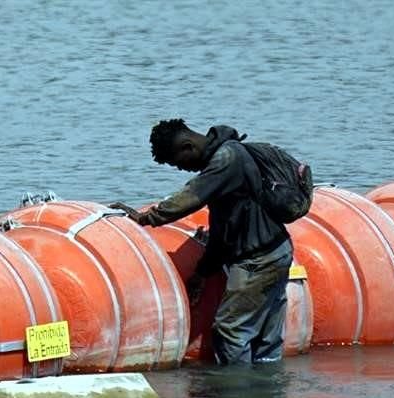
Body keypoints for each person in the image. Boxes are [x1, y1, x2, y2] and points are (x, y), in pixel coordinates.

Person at [110, 120, 293, 365]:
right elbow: (223, 231)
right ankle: (266, 394)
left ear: (187, 147)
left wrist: (145, 218)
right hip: (276, 251)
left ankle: (237, 396)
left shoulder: (225, 160)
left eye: (178, 163)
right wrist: (203, 272)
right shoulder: (231, 154)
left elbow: (190, 197)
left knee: (230, 332)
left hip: (257, 262)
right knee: (266, 338)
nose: (182, 170)